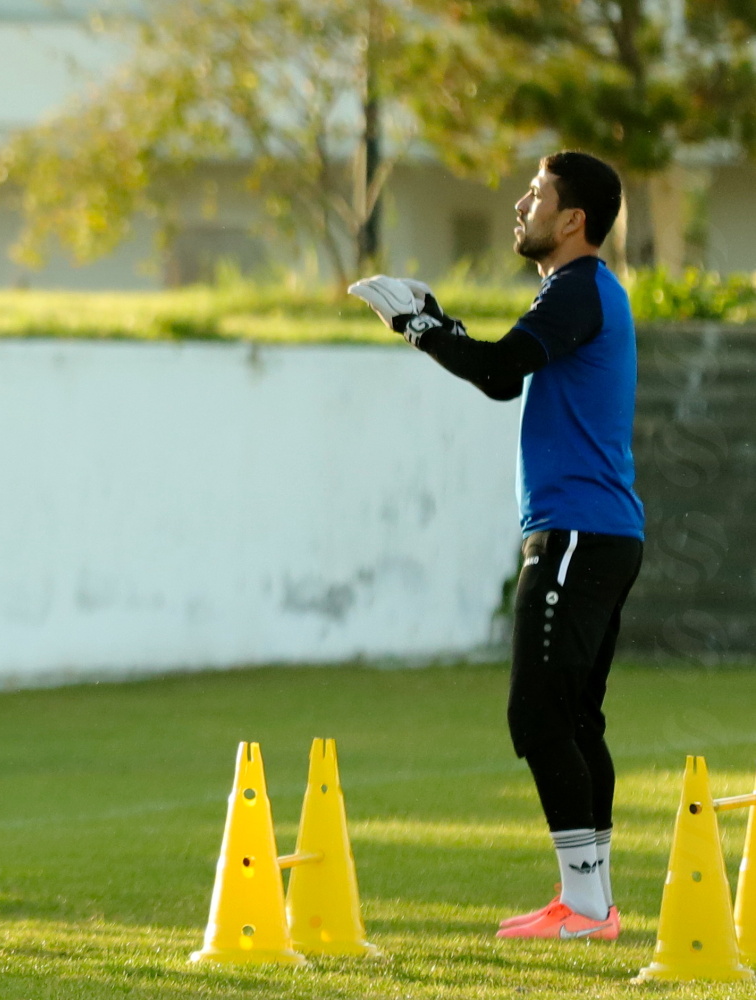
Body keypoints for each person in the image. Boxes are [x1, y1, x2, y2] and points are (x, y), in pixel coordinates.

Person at [350, 150, 642, 941]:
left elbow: (500, 368)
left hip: (579, 534)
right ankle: (589, 903)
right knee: (575, 721)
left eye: (537, 194)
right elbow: (508, 375)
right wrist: (437, 325)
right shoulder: (577, 293)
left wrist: (421, 325)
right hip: (597, 532)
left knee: (539, 717)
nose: (522, 205)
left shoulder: (580, 290)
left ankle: (587, 909)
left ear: (572, 219)